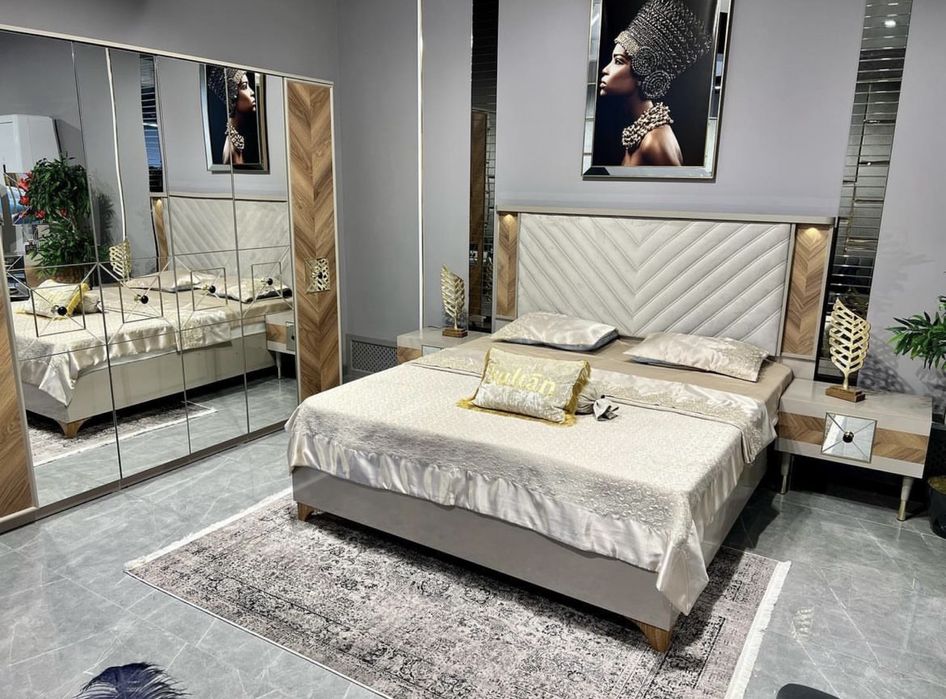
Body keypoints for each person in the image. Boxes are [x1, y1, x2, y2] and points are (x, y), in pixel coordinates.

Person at [597, 0, 712, 166]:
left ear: (644, 70)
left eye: (619, 61)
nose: (606, 69)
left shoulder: (654, 141)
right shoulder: (642, 134)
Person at [209, 67, 258, 166]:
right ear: (232, 95)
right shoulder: (231, 153)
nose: (252, 92)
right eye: (244, 87)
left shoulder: (237, 142)